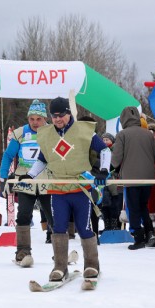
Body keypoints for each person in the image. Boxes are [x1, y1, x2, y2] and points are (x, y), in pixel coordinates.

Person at [26, 97, 110, 282]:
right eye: (54, 116)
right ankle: (60, 267)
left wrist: (103, 171)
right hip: (58, 188)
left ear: (68, 113)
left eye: (61, 115)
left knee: (84, 227)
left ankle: (91, 265)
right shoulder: (46, 134)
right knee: (58, 227)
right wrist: (30, 176)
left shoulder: (84, 130)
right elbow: (42, 160)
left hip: (81, 188)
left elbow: (105, 151)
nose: (58, 119)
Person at [0, 99, 52, 266]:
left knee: (54, 216)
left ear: (45, 119)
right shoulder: (20, 133)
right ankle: (22, 251)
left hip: (46, 178)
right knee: (23, 214)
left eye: (39, 119)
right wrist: (3, 178)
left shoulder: (52, 132)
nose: (35, 123)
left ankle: (59, 250)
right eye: (32, 119)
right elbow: (8, 156)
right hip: (25, 178)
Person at [110, 106, 155, 250]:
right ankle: (150, 232)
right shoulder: (148, 134)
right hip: (148, 177)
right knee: (143, 206)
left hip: (130, 178)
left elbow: (116, 158)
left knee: (133, 208)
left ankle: (138, 237)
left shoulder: (122, 135)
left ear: (123, 119)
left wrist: (113, 167)